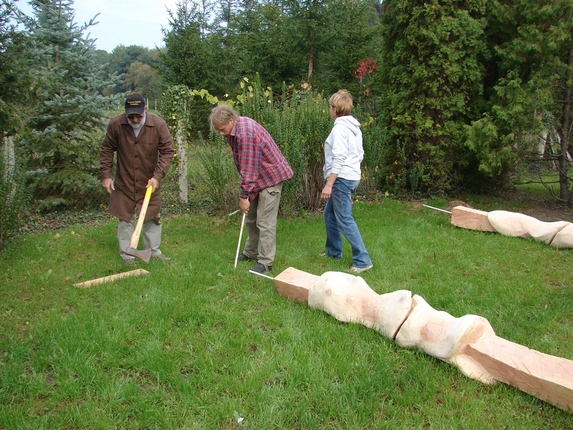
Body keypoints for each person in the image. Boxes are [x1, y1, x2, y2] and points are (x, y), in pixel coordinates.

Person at [209, 105, 293, 274]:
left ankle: (266, 262)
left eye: (222, 129)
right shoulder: (237, 128)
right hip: (258, 178)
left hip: (270, 178)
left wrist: (243, 196)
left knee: (265, 221)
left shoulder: (245, 134)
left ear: (231, 121)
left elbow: (249, 168)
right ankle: (251, 252)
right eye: (218, 130)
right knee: (251, 218)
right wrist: (247, 193)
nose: (221, 133)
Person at [100, 94, 175, 265]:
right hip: (124, 181)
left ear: (145, 110)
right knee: (125, 217)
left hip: (149, 181)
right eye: (131, 115)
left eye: (138, 115)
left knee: (152, 216)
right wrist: (105, 175)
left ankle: (153, 252)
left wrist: (157, 177)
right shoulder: (116, 124)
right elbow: (106, 149)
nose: (134, 119)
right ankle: (127, 255)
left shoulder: (158, 125)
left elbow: (167, 152)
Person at [320, 89, 373, 274]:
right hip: (350, 176)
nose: (329, 110)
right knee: (329, 215)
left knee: (344, 219)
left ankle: (363, 260)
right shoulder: (354, 127)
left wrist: (329, 183)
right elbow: (360, 153)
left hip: (342, 178)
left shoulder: (340, 128)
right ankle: (334, 252)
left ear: (335, 108)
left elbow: (340, 156)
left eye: (330, 107)